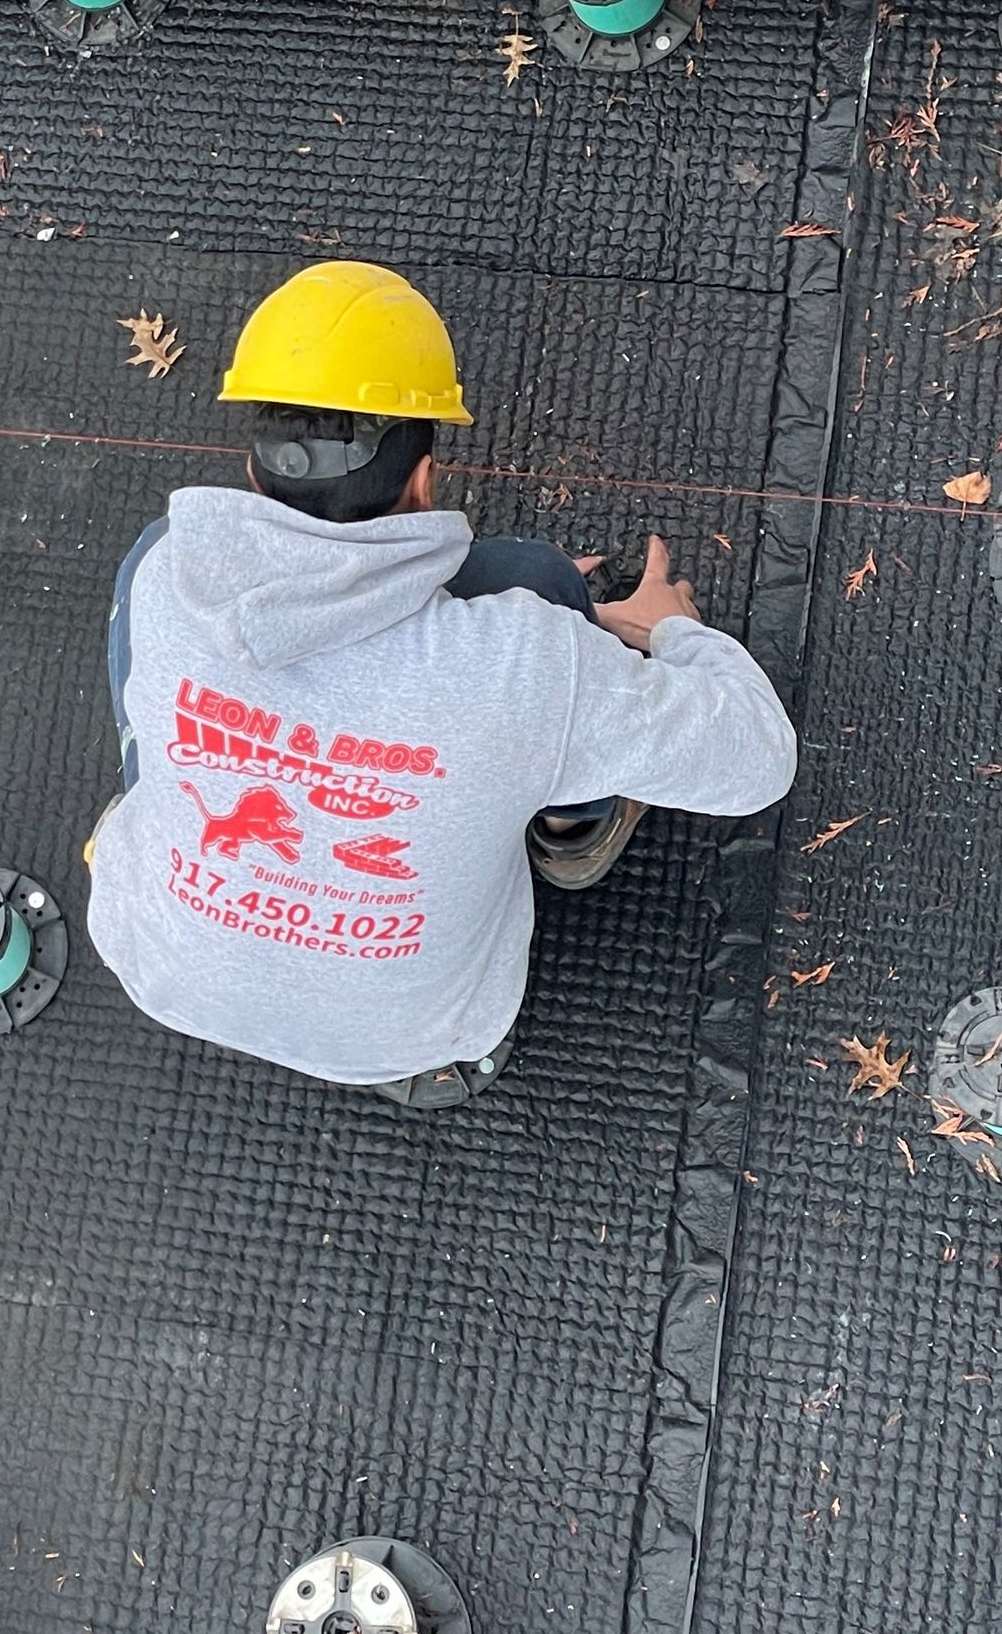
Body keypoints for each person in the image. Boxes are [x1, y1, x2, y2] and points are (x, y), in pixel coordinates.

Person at [86, 259, 796, 1108]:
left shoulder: (166, 577)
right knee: (534, 579)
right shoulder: (522, 662)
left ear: (254, 471)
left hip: (163, 971)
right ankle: (572, 836)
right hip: (417, 1037)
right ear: (424, 481)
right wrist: (666, 631)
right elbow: (758, 759)